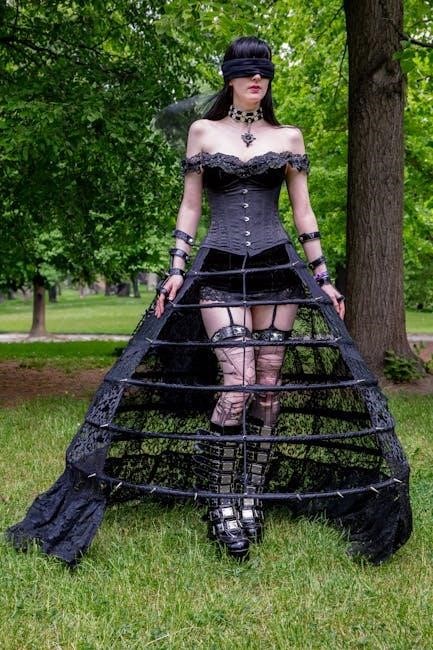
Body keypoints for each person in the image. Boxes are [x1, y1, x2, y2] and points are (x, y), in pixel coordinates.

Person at [6, 36, 411, 566]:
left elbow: (303, 211)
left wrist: (323, 278)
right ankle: (220, 500)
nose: (256, 79)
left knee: (269, 385)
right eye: (246, 71)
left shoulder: (288, 137)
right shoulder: (203, 131)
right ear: (230, 77)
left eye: (263, 71)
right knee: (238, 380)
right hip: (218, 267)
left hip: (277, 270)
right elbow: (191, 206)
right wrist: (176, 269)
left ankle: (251, 496)